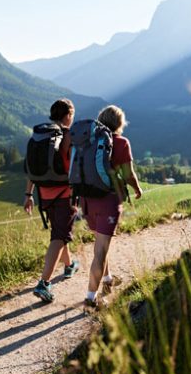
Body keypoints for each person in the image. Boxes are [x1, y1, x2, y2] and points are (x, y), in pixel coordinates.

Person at [82, 105, 142, 308]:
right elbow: (128, 175)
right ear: (120, 123)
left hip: (87, 199)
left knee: (99, 242)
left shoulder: (88, 141)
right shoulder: (122, 143)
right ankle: (90, 298)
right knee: (101, 250)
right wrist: (137, 189)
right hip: (108, 201)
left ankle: (107, 280)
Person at [24, 98, 80, 302]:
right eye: (72, 116)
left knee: (59, 231)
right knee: (59, 236)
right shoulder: (66, 135)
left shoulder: (40, 136)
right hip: (64, 194)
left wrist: (28, 195)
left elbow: (31, 169)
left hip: (44, 194)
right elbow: (74, 165)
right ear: (68, 116)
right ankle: (44, 283)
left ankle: (69, 265)